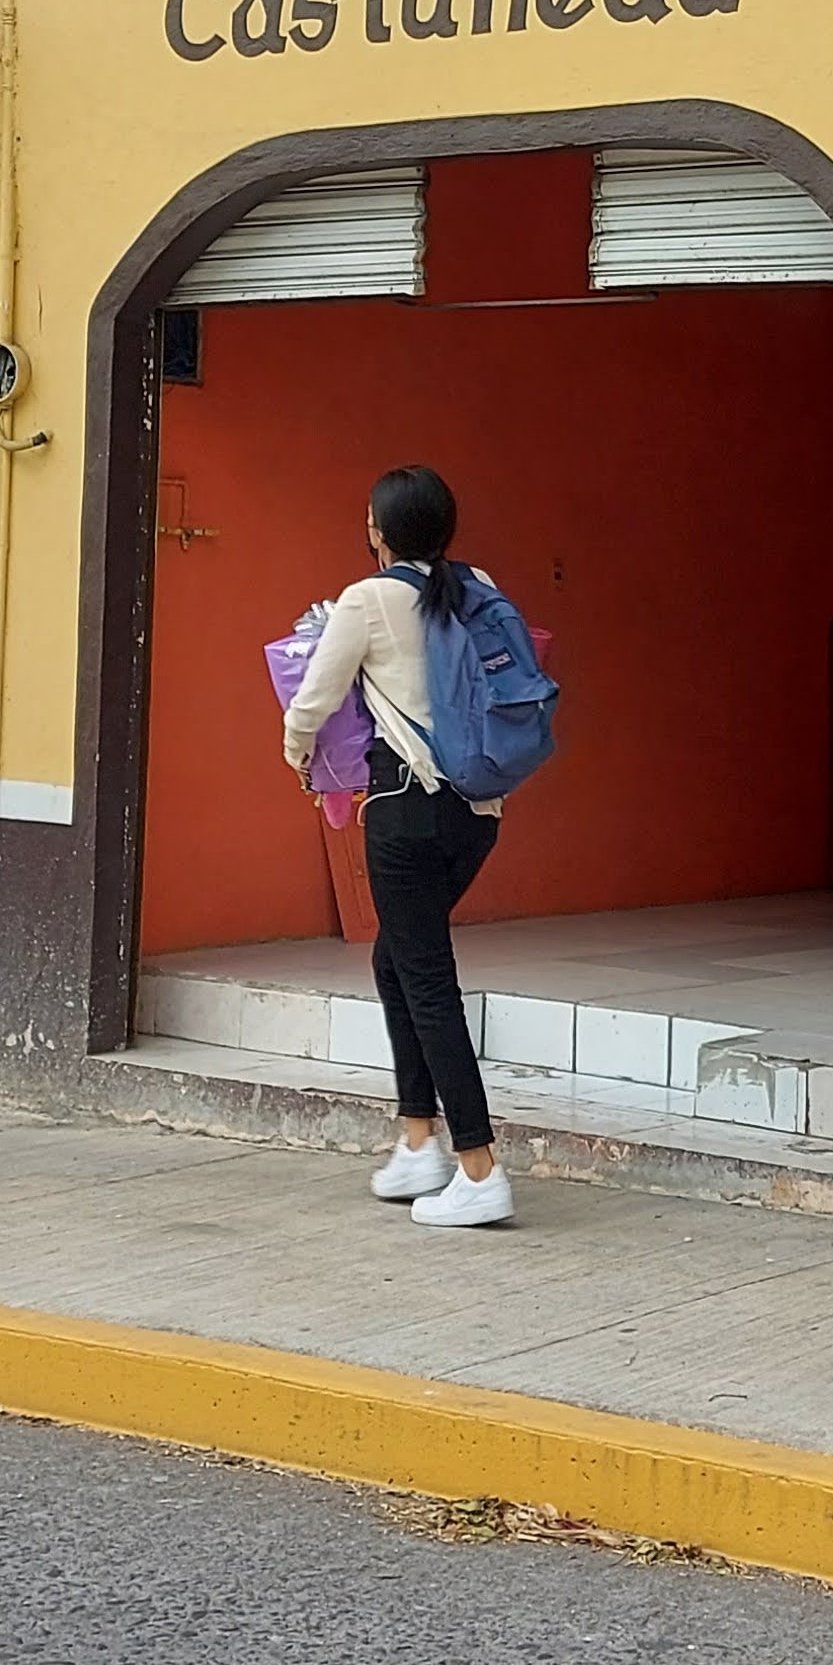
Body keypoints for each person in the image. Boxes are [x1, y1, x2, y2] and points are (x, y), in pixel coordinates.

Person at [281, 465, 514, 1230]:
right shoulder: (472, 583)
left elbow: (314, 696)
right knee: (399, 960)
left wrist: (296, 753)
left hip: (406, 813)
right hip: (477, 813)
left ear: (379, 531)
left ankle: (478, 1168)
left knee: (426, 979)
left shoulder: (369, 598)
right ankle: (418, 1141)